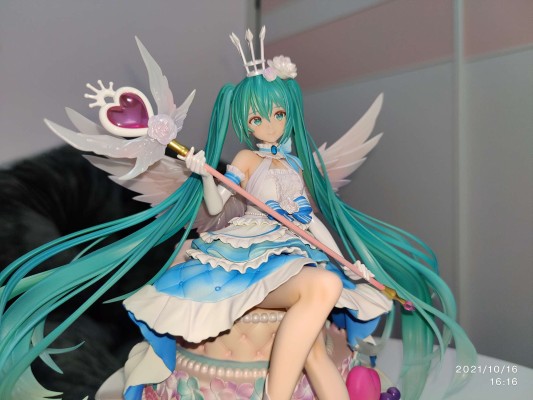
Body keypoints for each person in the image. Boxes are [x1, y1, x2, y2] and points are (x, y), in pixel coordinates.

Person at [0, 29, 475, 400]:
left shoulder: (296, 164)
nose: (268, 126)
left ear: (290, 113)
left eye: (276, 115)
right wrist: (204, 175)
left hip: (298, 251)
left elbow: (312, 221)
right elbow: (214, 210)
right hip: (249, 259)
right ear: (244, 122)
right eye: (255, 118)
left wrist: (348, 260)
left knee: (316, 340)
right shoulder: (245, 161)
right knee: (322, 289)